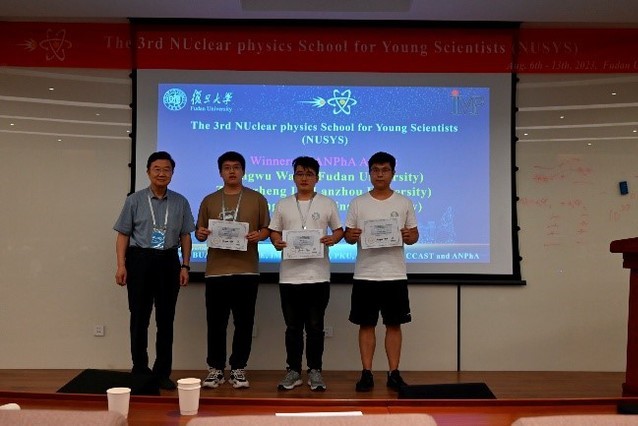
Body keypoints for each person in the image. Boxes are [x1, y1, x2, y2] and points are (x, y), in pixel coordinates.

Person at [113, 151, 195, 390]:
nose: (162, 173)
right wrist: (121, 265)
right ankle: (139, 369)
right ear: (148, 171)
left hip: (168, 261)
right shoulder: (135, 200)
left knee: (166, 319)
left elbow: (185, 235)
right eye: (157, 169)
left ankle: (162, 373)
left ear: (172, 173)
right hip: (140, 260)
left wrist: (185, 265)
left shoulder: (180, 202)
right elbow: (123, 235)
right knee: (139, 317)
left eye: (167, 169)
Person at [344, 151, 419, 392]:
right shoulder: (358, 202)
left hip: (394, 273)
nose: (380, 174)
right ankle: (366, 373)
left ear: (393, 173)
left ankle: (393, 373)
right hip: (365, 274)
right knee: (366, 325)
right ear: (369, 173)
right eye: (375, 170)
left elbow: (414, 236)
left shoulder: (404, 202)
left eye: (385, 170)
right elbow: (348, 236)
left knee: (394, 325)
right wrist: (350, 235)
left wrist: (410, 236)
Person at [195, 151, 270, 389]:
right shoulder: (209, 200)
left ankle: (238, 368)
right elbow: (199, 231)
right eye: (227, 167)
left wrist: (259, 235)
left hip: (246, 270)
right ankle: (216, 369)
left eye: (236, 167)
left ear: (243, 171)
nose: (232, 171)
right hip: (216, 271)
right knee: (215, 323)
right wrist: (200, 234)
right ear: (220, 172)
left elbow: (266, 229)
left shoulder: (257, 199)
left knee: (244, 323)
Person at [269, 156, 344, 392]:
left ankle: (315, 371)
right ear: (293, 177)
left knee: (315, 327)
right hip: (289, 277)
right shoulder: (283, 204)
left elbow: (339, 230)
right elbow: (273, 232)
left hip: (318, 276)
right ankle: (293, 371)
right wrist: (276, 241)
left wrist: (333, 239)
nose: (304, 178)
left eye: (309, 174)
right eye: (300, 173)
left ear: (317, 178)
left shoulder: (327, 203)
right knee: (292, 327)